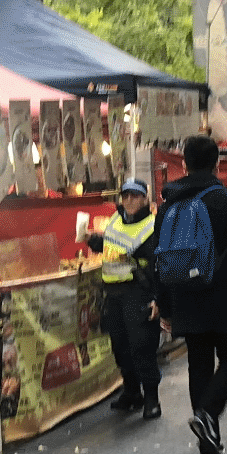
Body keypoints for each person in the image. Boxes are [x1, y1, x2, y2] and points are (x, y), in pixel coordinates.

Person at [153, 134, 227, 454]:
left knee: (198, 364)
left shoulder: (168, 204)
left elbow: (160, 259)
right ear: (217, 164)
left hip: (186, 296)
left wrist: (166, 305)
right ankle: (208, 415)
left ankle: (207, 441)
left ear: (184, 164)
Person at [90, 179, 162, 419]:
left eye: (135, 196)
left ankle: (152, 397)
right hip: (114, 294)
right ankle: (132, 393)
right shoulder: (115, 220)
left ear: (144, 199)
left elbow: (159, 267)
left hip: (138, 292)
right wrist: (94, 241)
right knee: (120, 347)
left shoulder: (153, 226)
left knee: (142, 346)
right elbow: (112, 247)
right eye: (126, 196)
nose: (130, 200)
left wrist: (157, 299)